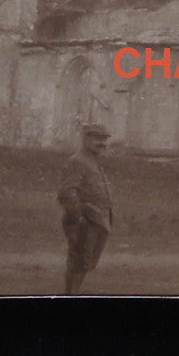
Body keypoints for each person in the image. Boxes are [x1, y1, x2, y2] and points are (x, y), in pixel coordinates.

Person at [57, 123, 115, 294]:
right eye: (98, 139)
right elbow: (66, 192)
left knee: (85, 262)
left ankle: (73, 293)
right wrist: (79, 219)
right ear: (86, 139)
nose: (102, 143)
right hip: (85, 221)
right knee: (78, 262)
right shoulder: (77, 161)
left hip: (97, 220)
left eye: (104, 139)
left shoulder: (94, 161)